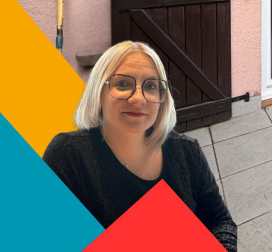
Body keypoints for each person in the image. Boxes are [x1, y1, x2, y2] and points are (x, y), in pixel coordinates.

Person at [43, 41, 237, 251]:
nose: (138, 98)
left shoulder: (187, 151)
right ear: (99, 93)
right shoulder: (68, 155)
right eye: (122, 84)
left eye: (151, 86)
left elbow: (219, 221)